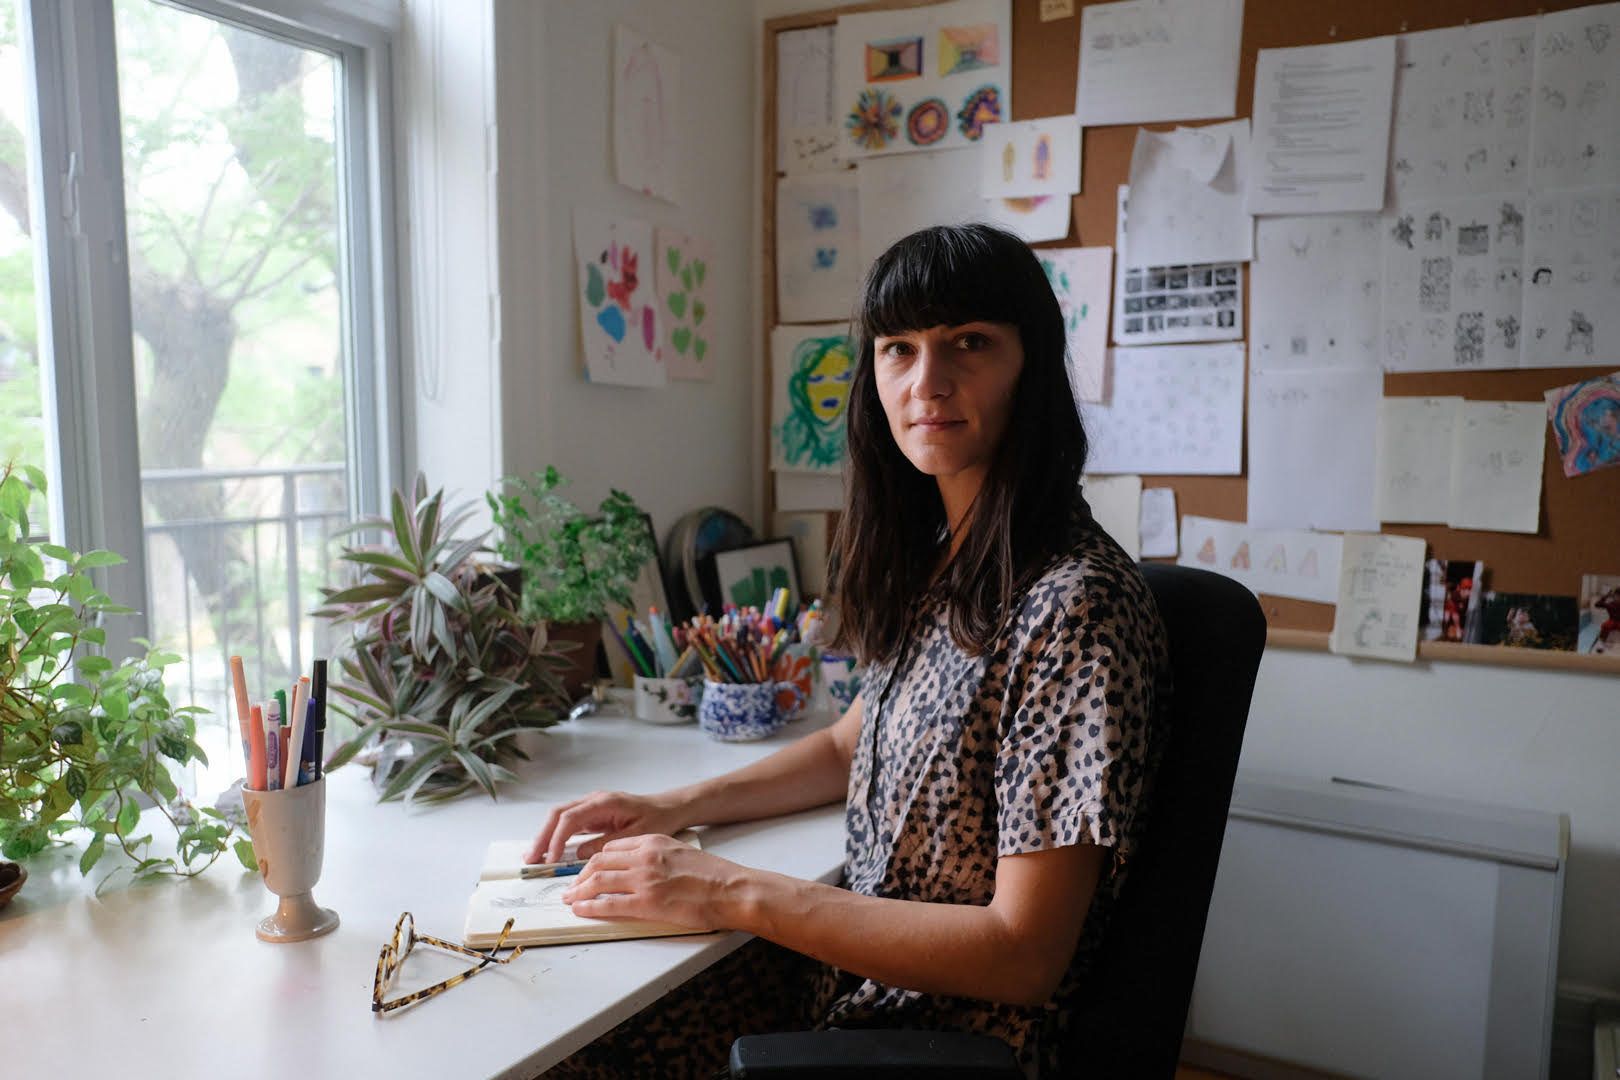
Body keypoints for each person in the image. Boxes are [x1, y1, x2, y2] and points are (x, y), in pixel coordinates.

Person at [531, 223, 1170, 1078]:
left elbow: (1023, 953)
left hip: (944, 1040)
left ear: (1033, 366)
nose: (926, 382)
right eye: (897, 350)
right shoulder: (948, 561)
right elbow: (849, 742)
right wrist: (671, 807)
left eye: (969, 343)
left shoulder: (1075, 608)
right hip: (853, 991)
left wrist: (725, 887)